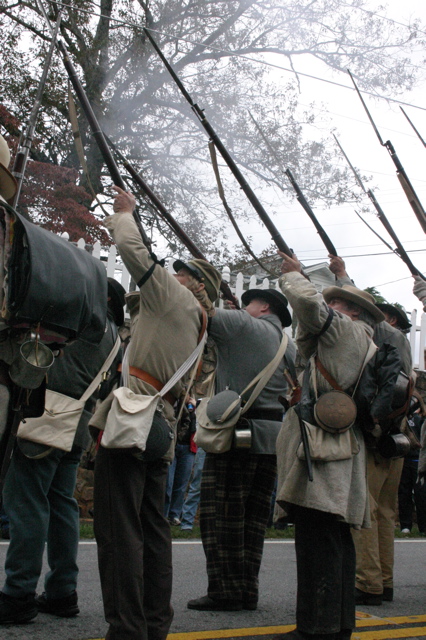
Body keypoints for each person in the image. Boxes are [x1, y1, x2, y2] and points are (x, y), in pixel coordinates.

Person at [91, 187, 221, 640]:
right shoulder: (196, 318)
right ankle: (151, 624)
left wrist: (125, 214)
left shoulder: (173, 298)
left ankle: (126, 629)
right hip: (159, 424)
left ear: (192, 282)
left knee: (118, 533)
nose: (171, 274)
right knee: (152, 530)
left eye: (180, 272)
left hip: (134, 418)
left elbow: (130, 248)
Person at [274, 252, 389, 640]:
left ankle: (315, 627)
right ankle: (337, 624)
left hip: (323, 448)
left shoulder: (342, 329)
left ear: (350, 311)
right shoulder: (363, 337)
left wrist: (293, 276)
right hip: (342, 445)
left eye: (336, 300)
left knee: (317, 536)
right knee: (335, 539)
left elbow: (307, 303)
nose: (329, 303)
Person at [0, 278, 125, 625]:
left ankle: (18, 593)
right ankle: (61, 592)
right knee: (61, 507)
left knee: (27, 506)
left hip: (43, 420)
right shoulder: (114, 336)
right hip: (75, 426)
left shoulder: (86, 323)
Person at [188, 287, 294, 612]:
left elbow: (204, 315)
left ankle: (225, 591)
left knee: (222, 516)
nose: (244, 308)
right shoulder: (289, 345)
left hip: (238, 435)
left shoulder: (244, 325)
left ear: (263, 306)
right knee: (253, 520)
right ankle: (247, 589)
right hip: (272, 437)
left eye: (248, 303)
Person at [329, 257, 414, 606]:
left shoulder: (381, 335)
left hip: (375, 432)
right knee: (386, 512)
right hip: (397, 433)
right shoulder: (397, 341)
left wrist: (343, 277)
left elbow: (358, 308)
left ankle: (367, 582)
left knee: (365, 508)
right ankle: (384, 581)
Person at [164, 397, 197, 526]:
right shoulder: (170, 402)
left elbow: (195, 426)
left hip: (188, 447)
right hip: (172, 445)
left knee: (181, 484)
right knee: (168, 483)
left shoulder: (193, 405)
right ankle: (164, 514)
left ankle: (175, 515)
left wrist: (193, 409)